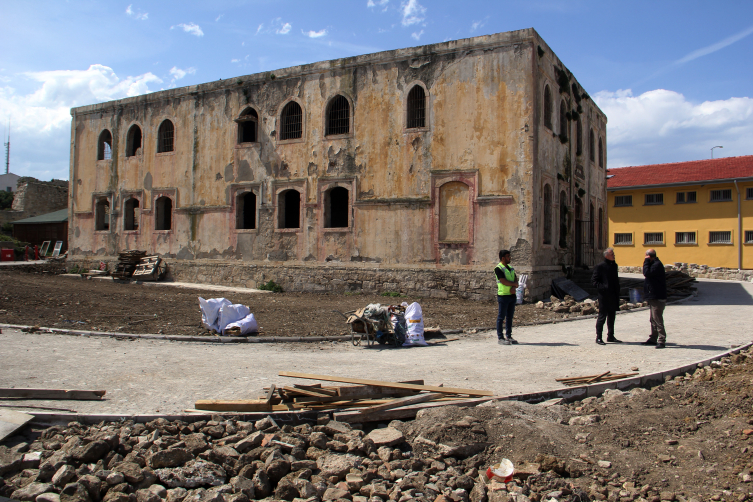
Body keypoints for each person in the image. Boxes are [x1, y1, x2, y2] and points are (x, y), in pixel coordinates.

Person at [591, 247, 622, 345]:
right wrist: (603, 288)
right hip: (604, 295)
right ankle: (599, 337)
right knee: (602, 316)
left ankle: (611, 336)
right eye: (612, 254)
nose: (614, 255)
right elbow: (594, 281)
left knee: (612, 316)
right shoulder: (600, 266)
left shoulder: (614, 266)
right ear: (606, 255)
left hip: (613, 294)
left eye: (613, 254)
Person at [641, 249, 668, 348]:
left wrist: (646, 261)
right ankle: (653, 338)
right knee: (653, 319)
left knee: (657, 319)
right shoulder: (655, 264)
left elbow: (646, 273)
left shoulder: (656, 265)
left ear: (649, 256)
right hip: (653, 296)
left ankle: (661, 340)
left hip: (658, 296)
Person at [495, 249, 519, 345]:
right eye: (508, 256)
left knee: (510, 316)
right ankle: (500, 337)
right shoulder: (498, 268)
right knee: (501, 317)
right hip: (503, 295)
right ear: (503, 258)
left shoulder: (511, 268)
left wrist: (514, 286)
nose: (510, 258)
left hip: (512, 295)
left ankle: (508, 336)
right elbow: (503, 281)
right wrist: (514, 285)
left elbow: (516, 279)